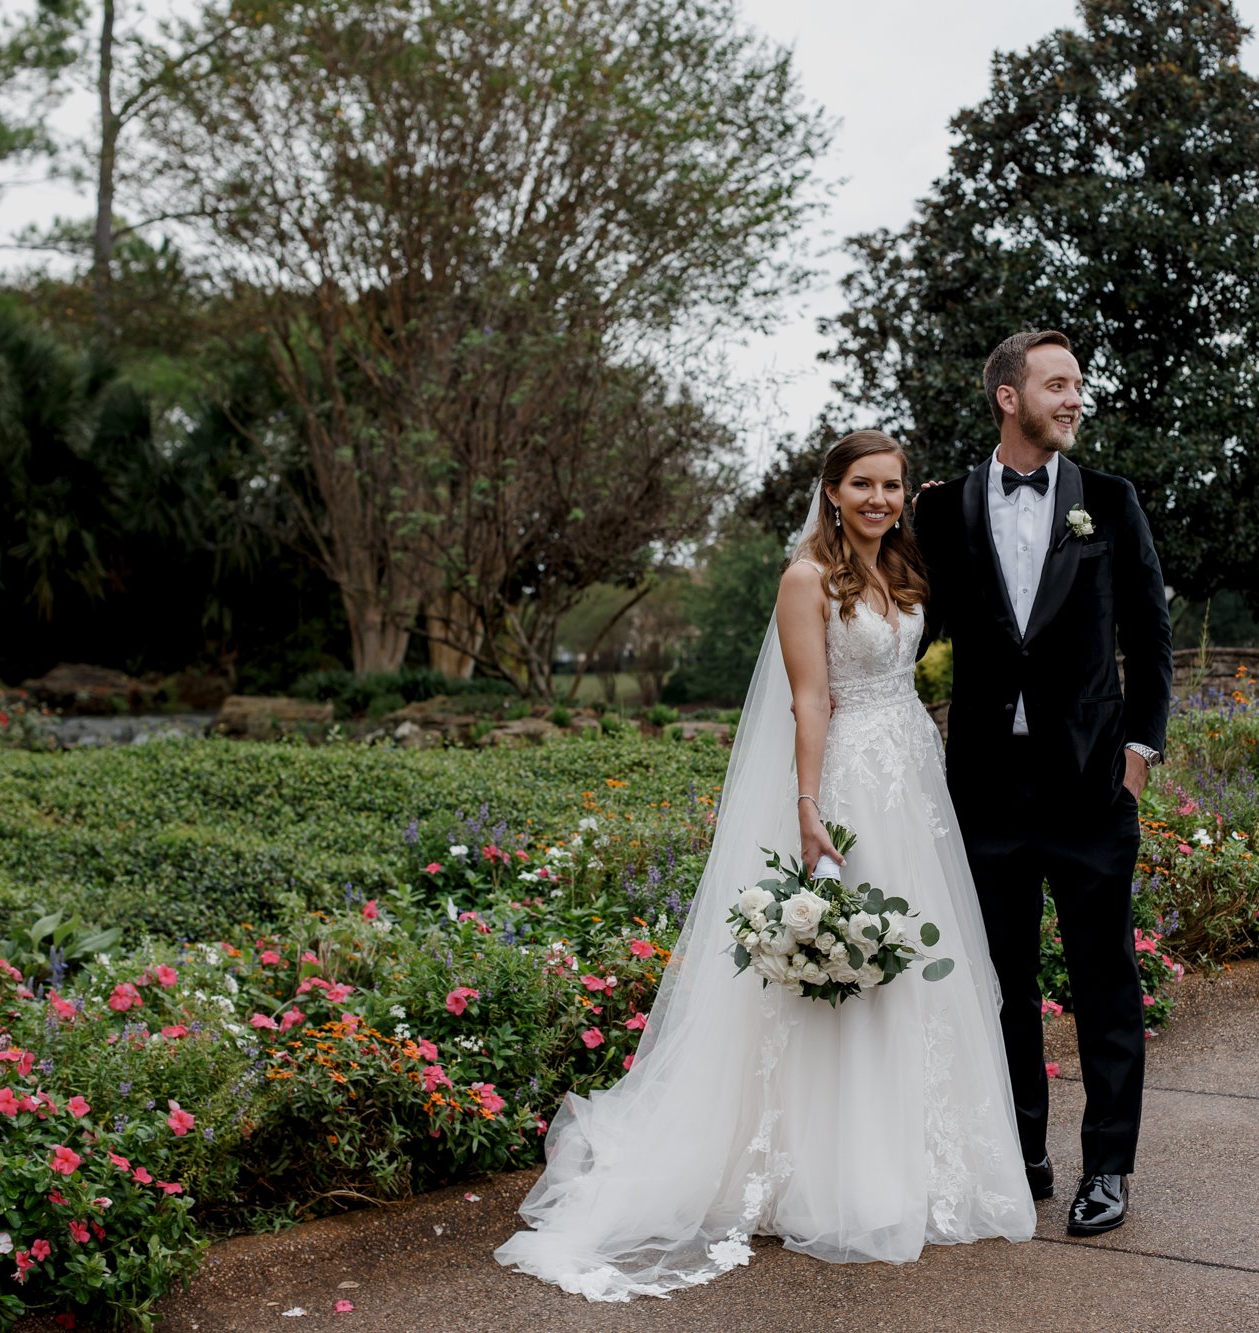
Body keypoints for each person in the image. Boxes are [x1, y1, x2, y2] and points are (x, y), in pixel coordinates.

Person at [495, 430, 1033, 1302]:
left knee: (910, 968)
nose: (879, 499)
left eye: (892, 486)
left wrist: (937, 501)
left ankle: (915, 1158)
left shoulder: (906, 571)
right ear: (829, 489)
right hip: (849, 780)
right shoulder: (805, 580)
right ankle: (822, 1170)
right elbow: (810, 696)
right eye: (862, 483)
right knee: (846, 960)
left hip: (914, 780)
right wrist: (811, 808)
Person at [913, 329, 1172, 1237]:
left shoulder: (1111, 500)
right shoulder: (943, 509)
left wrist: (1140, 753)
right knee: (1003, 982)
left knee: (1105, 978)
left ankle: (1108, 1167)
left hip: (1092, 782)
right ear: (1007, 396)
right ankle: (1022, 1153)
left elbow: (1149, 632)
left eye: (1079, 386)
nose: (1075, 399)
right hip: (985, 785)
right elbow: (912, 626)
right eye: (1058, 384)